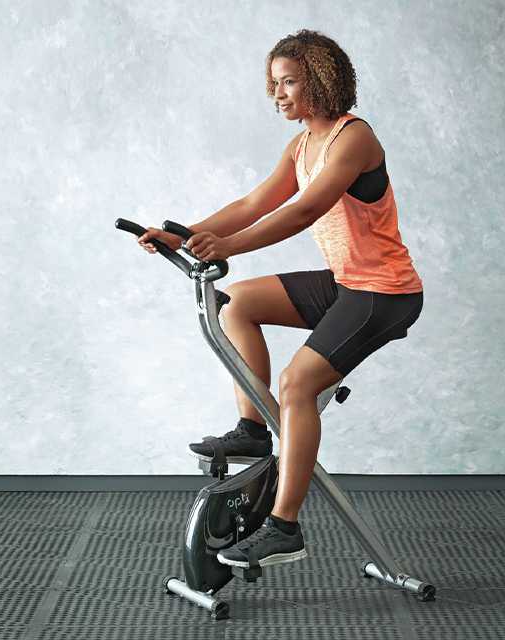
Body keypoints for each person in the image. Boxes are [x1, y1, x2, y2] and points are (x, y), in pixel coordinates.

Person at [137, 29, 423, 569]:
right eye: (274, 85)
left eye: (288, 82)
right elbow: (254, 203)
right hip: (344, 281)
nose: (279, 95)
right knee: (235, 304)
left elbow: (301, 212)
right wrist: (184, 232)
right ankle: (252, 430)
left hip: (384, 292)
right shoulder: (301, 145)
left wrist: (228, 246)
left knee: (297, 386)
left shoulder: (353, 138)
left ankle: (285, 527)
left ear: (319, 78)